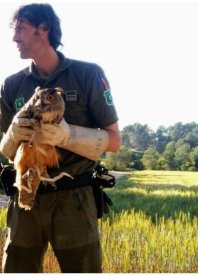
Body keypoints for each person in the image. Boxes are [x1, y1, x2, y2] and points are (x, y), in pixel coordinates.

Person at [0, 3, 121, 273]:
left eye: (20, 29)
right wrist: (12, 134)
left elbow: (114, 141)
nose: (14, 37)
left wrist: (68, 136)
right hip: (26, 196)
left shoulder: (88, 74)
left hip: (73, 199)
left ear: (43, 29)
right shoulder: (11, 85)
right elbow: (7, 151)